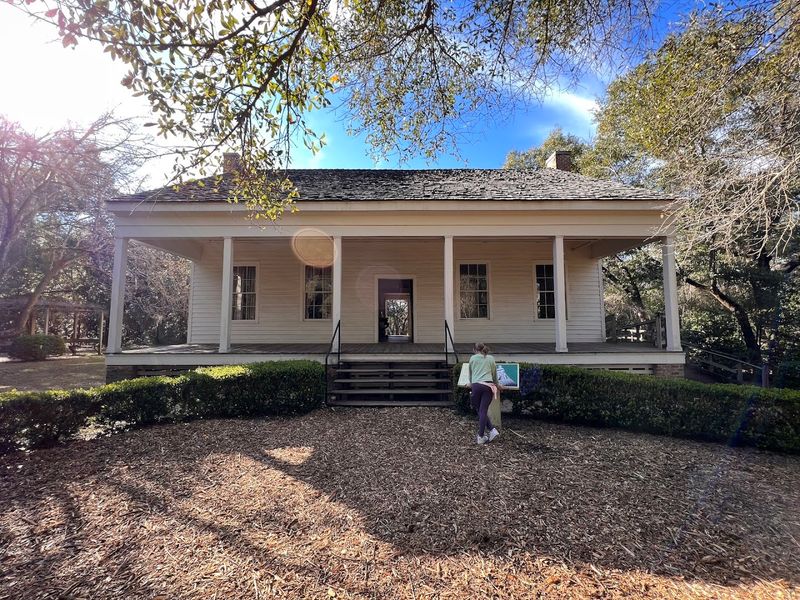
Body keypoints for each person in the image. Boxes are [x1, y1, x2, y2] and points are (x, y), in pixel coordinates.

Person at [467, 342, 501, 444]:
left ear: (474, 349)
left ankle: (481, 436)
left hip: (476, 386)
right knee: (483, 410)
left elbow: (471, 373)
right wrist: (497, 384)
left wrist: (470, 383)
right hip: (488, 386)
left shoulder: (472, 358)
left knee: (479, 410)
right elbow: (494, 373)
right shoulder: (491, 358)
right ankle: (491, 430)